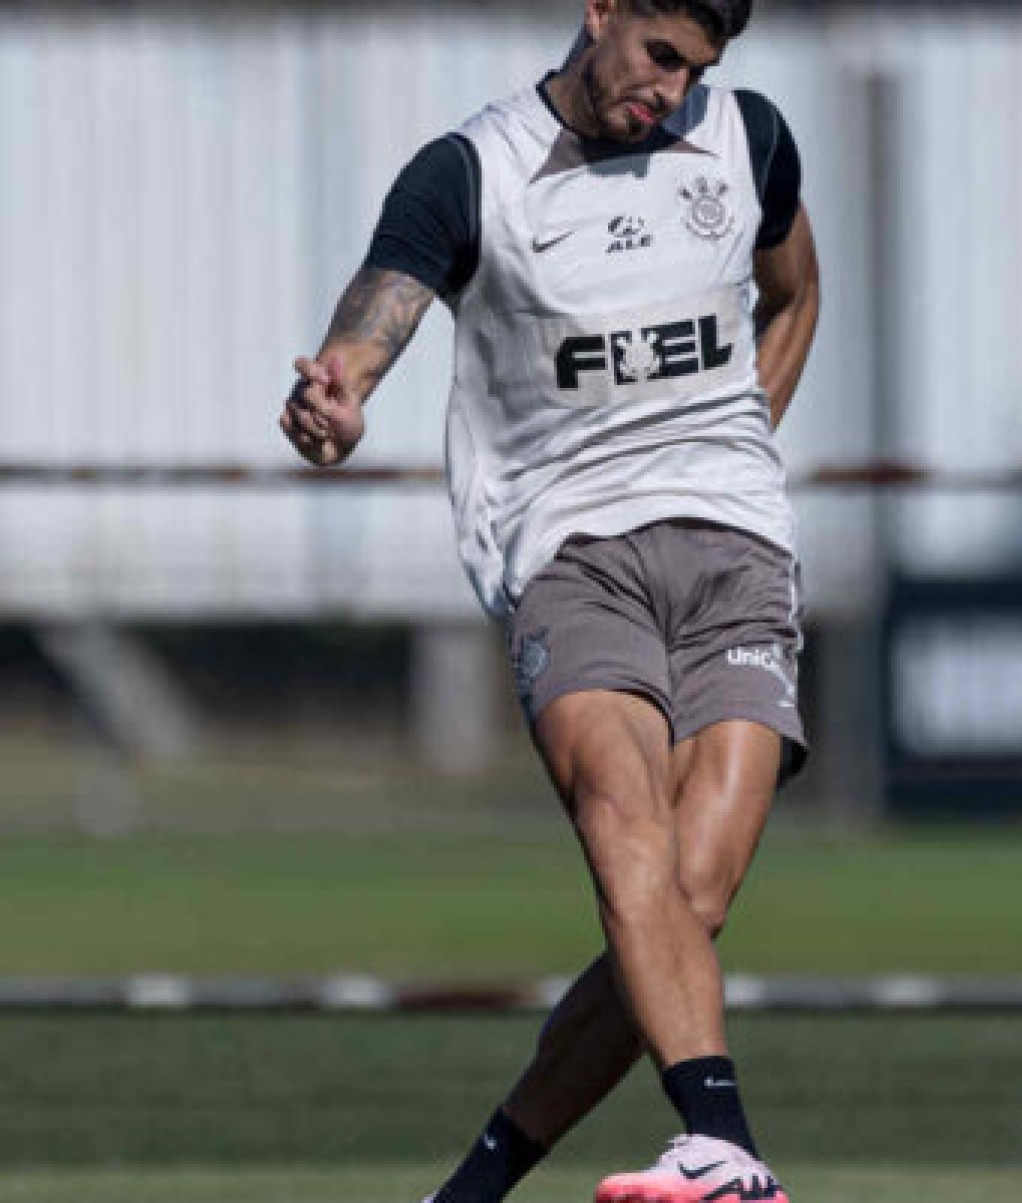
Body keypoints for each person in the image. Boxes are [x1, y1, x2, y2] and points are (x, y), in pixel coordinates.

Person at [278, 0, 819, 1198]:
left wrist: (733, 447)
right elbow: (372, 325)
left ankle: (472, 1192)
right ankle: (726, 1148)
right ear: (603, 11)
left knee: (688, 903)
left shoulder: (751, 141)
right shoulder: (473, 172)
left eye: (699, 69)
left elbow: (795, 295)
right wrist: (340, 399)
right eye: (660, 55)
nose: (672, 89)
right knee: (622, 821)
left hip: (735, 546)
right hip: (571, 553)